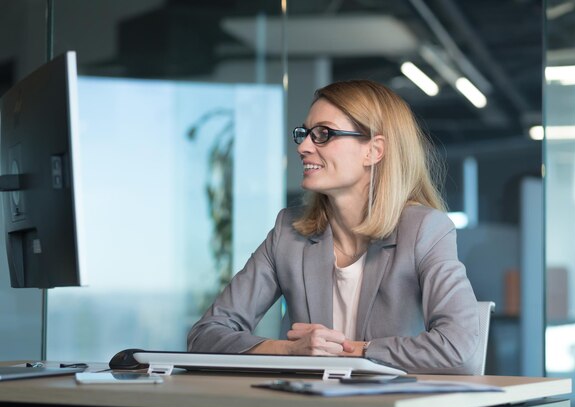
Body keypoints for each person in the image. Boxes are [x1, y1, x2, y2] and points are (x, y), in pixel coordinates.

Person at [187, 79, 480, 374]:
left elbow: (458, 347)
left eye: (323, 134)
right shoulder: (287, 233)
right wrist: (289, 351)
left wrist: (353, 351)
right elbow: (205, 335)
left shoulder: (425, 229)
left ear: (374, 151)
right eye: (303, 134)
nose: (303, 147)